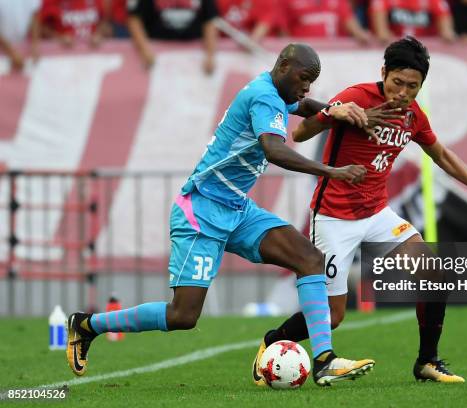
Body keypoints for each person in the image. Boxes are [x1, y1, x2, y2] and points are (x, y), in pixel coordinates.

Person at [66, 43, 403, 387]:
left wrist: (337, 111)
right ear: (284, 66)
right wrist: (330, 171)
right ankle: (89, 325)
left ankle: (324, 359)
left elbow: (301, 105)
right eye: (304, 78)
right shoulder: (264, 96)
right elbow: (274, 149)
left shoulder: (276, 89)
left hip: (236, 209)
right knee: (183, 315)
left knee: (309, 259)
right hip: (200, 212)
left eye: (312, 81)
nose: (307, 87)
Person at [254, 36, 467, 384]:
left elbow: (440, 154)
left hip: (377, 214)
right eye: (397, 82)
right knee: (333, 315)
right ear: (383, 72)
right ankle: (271, 342)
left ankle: (427, 362)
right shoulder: (356, 97)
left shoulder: (413, 115)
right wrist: (334, 114)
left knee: (433, 273)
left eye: (412, 86)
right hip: (333, 218)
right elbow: (302, 134)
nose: (402, 92)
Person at [126, 0, 218, 74]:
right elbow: (135, 19)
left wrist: (210, 55)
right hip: (157, 56)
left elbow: (210, 21)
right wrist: (144, 49)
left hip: (195, 56)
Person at [281, 0, 371, 44]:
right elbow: (283, 31)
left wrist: (361, 34)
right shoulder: (288, 1)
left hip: (331, 56)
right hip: (303, 57)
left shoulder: (338, 1)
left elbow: (350, 22)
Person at [369, 0, 456, 43]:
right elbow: (382, 32)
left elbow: (446, 29)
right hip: (393, 50)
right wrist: (383, 33)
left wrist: (447, 33)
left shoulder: (434, 1)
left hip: (424, 52)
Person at [40, 0, 107, 48]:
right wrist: (59, 38)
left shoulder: (97, 1)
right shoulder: (51, 2)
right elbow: (40, 27)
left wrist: (99, 34)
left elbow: (105, 22)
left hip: (92, 53)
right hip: (62, 54)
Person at [0, 0, 41, 72]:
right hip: (4, 49)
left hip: (19, 48)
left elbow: (34, 17)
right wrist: (11, 52)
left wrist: (34, 46)